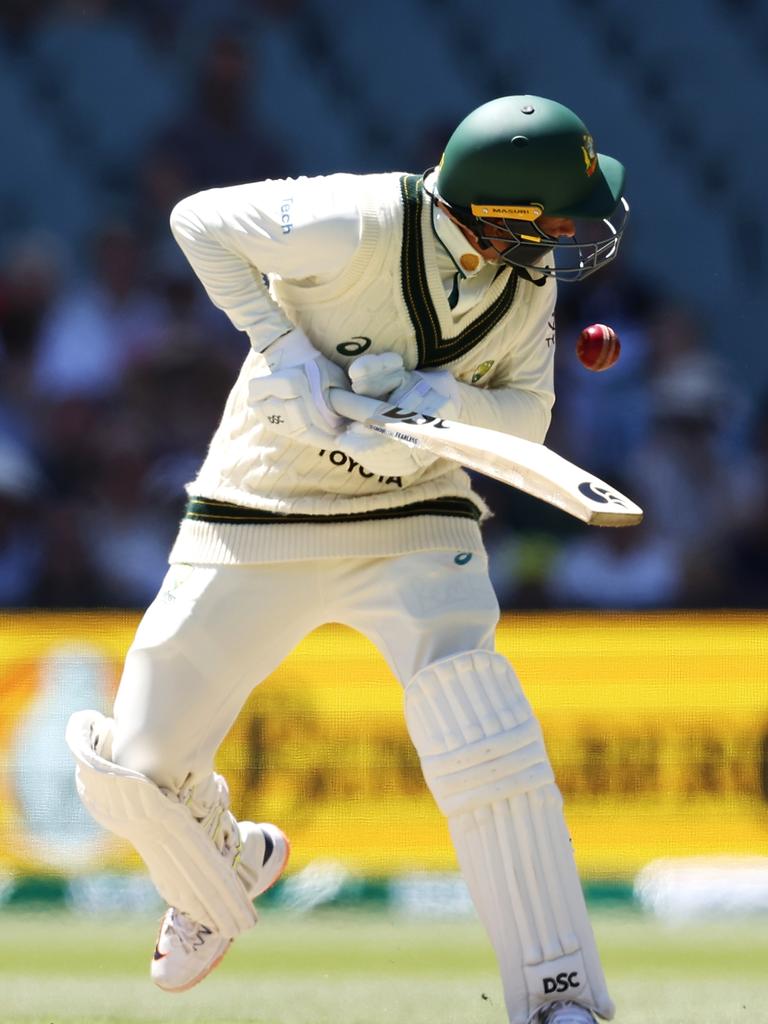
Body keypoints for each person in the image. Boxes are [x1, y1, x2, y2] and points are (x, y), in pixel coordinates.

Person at [66, 95, 629, 1024]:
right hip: (263, 502)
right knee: (134, 769)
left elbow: (526, 418)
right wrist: (282, 348)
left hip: (418, 513)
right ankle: (225, 858)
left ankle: (555, 996)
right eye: (560, 213)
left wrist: (432, 406)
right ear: (500, 214)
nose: (576, 232)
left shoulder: (528, 285)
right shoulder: (354, 219)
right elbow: (197, 220)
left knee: (484, 733)